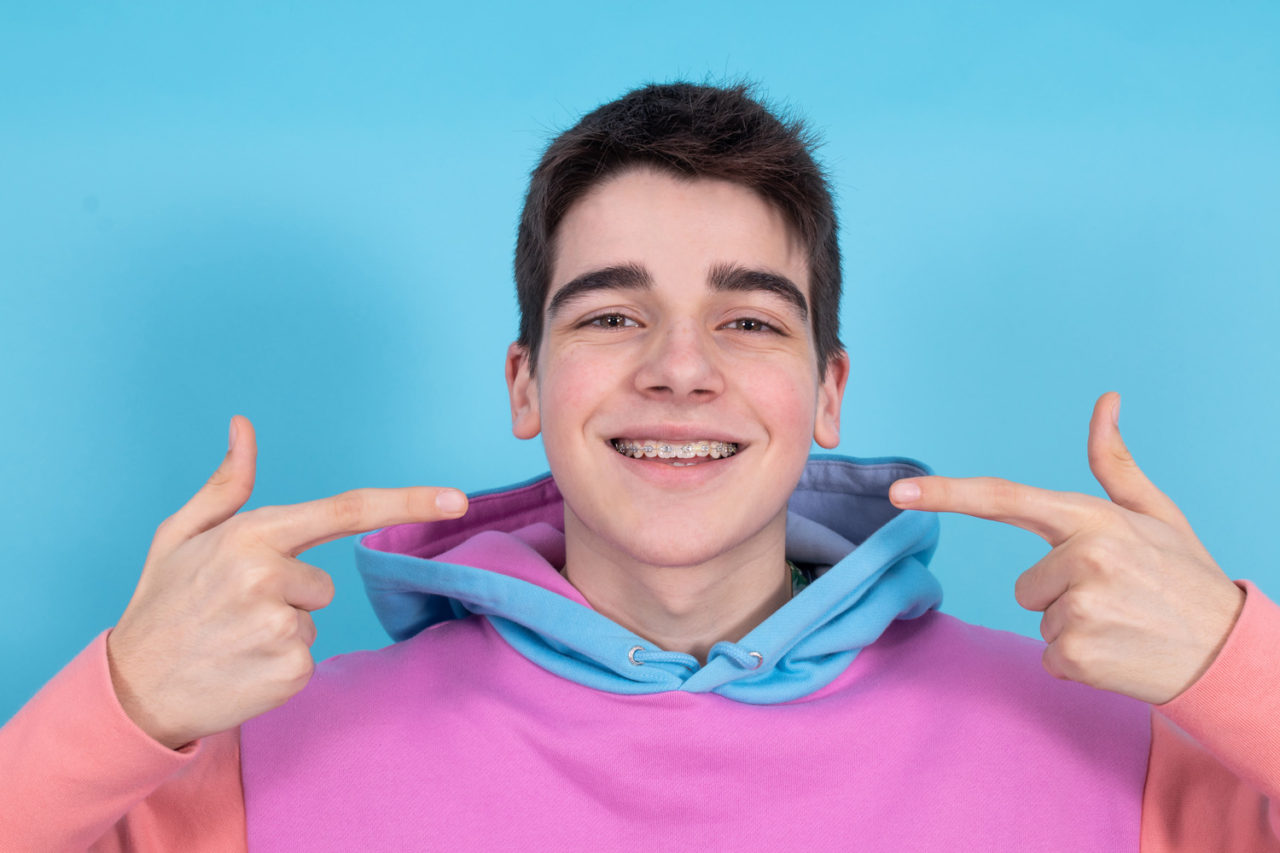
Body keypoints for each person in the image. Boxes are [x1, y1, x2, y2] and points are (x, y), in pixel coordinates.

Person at [2, 82, 1277, 851]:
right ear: (524, 386)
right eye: (610, 314)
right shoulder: (249, 767)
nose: (680, 366)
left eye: (749, 318)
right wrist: (120, 701)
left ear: (827, 392)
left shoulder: (1131, 754)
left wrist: (1234, 662)